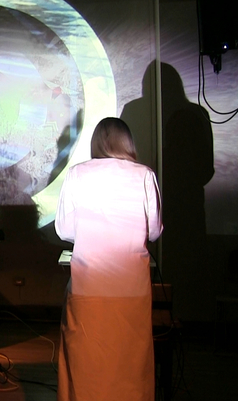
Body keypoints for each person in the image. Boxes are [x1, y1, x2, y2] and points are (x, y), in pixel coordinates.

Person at [54, 117, 163, 401]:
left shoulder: (78, 174)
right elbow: (153, 231)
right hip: (132, 290)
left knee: (85, 363)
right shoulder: (144, 175)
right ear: (128, 142)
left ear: (96, 143)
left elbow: (64, 230)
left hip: (88, 288)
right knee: (130, 366)